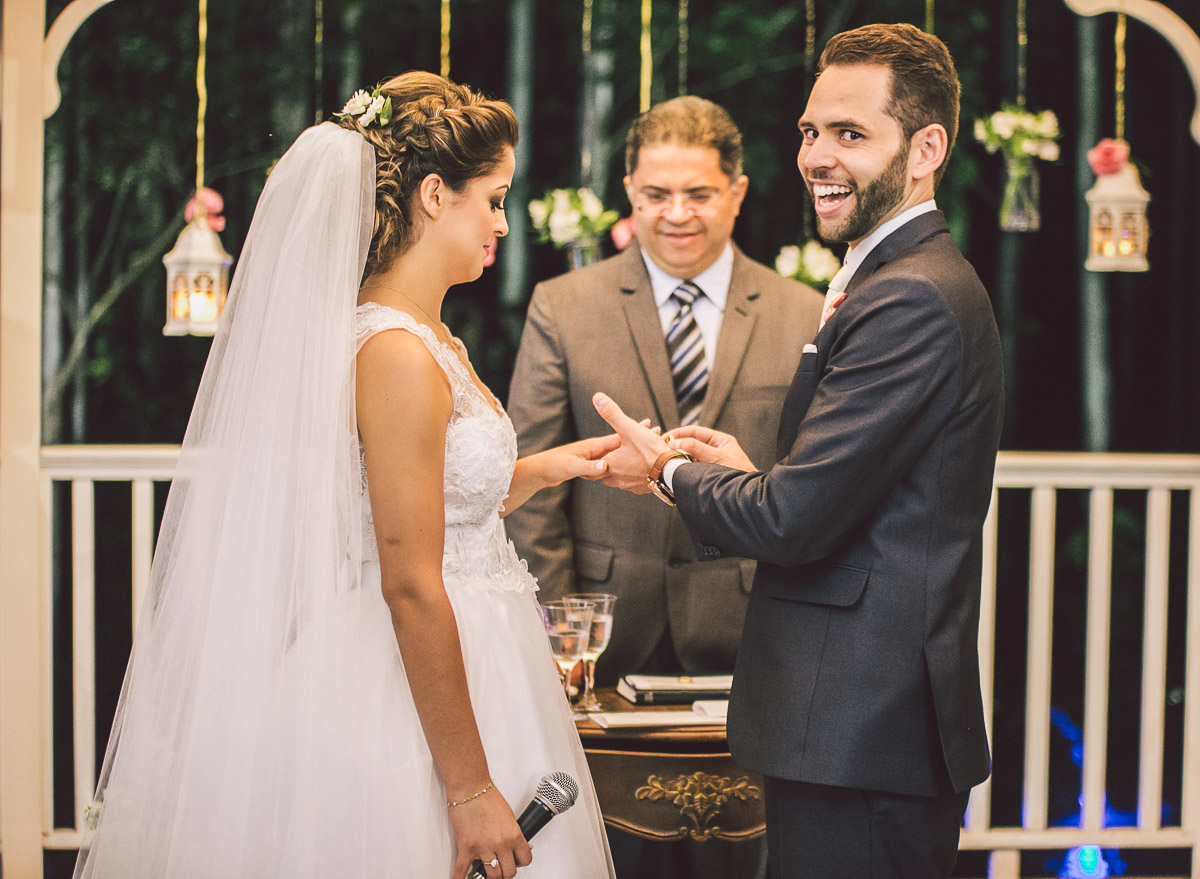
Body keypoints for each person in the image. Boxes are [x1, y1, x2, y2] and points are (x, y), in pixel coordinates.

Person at [74, 72, 616, 879]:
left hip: (482, 648)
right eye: (494, 199)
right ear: (435, 194)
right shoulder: (394, 351)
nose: (502, 223)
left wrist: (557, 466)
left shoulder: (428, 335)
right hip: (406, 674)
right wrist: (470, 789)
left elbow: (431, 506)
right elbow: (410, 579)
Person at [592, 23, 1004, 879]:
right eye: (812, 131)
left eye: (850, 134)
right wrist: (746, 476)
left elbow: (792, 521)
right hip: (848, 725)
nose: (817, 156)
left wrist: (667, 469)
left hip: (862, 726)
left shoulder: (911, 297)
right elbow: (844, 497)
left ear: (926, 149)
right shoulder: (895, 278)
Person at [506, 96, 822, 690]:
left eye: (699, 194)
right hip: (602, 636)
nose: (677, 214)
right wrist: (558, 635)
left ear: (738, 192)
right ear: (630, 190)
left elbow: (810, 485)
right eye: (657, 194)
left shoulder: (804, 312)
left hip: (754, 635)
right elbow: (532, 488)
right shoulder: (563, 307)